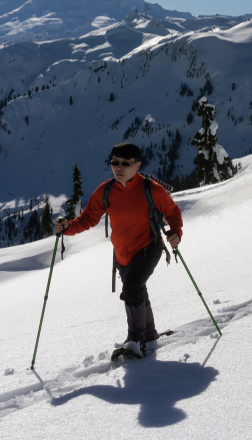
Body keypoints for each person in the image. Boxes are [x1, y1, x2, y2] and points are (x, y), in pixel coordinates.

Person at [55, 142, 183, 357]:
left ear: (138, 165)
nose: (119, 168)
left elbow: (173, 211)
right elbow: (88, 218)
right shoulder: (106, 191)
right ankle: (149, 336)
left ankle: (135, 340)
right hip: (122, 254)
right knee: (137, 289)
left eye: (125, 163)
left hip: (149, 247)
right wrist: (67, 227)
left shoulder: (151, 190)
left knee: (132, 287)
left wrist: (176, 232)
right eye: (115, 163)